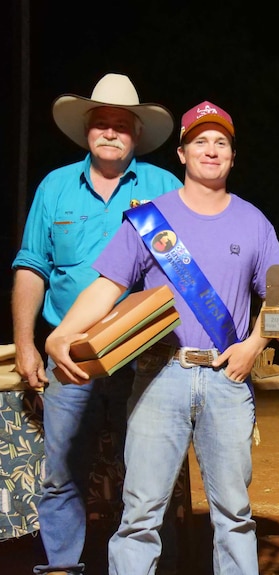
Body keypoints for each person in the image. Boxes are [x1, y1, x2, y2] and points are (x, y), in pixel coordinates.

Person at [45, 101, 279, 575]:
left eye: (222, 143)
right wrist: (63, 333)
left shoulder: (254, 222)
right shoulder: (149, 218)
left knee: (235, 516)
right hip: (160, 375)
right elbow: (107, 286)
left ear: (233, 157)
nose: (211, 150)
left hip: (226, 377)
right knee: (140, 515)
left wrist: (253, 347)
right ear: (182, 153)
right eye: (201, 141)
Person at [11, 73, 180, 575]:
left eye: (121, 125)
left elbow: (189, 270)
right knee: (62, 472)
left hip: (147, 352)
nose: (110, 132)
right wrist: (26, 344)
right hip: (69, 352)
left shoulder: (163, 186)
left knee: (149, 473)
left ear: (136, 135)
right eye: (101, 123)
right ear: (88, 130)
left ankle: (151, 566)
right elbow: (31, 267)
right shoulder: (56, 186)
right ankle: (63, 566)